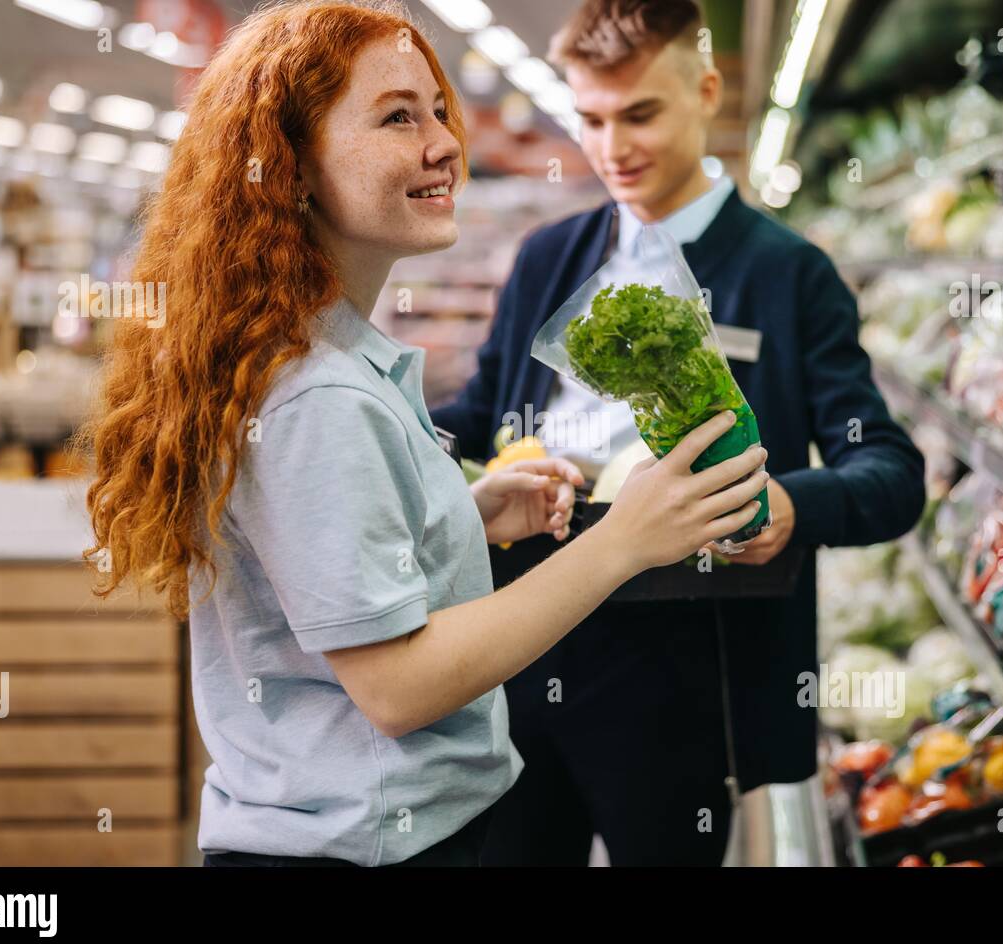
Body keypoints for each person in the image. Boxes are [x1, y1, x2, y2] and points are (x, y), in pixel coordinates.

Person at [80, 0, 768, 868]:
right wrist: (623, 541)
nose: (445, 140)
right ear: (291, 166)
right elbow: (398, 686)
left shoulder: (329, 358)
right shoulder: (314, 397)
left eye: (438, 110)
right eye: (398, 116)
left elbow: (322, 569)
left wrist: (461, 512)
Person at [431, 0, 927, 866]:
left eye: (641, 113)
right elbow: (479, 417)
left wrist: (789, 506)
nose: (612, 146)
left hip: (690, 673)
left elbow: (890, 470)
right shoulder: (549, 259)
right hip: (525, 643)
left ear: (704, 91)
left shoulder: (789, 274)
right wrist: (386, 439)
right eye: (590, 118)